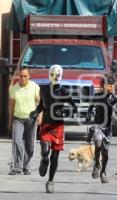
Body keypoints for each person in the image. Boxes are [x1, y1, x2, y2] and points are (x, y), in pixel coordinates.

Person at [30, 64, 77, 193]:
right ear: (49, 74)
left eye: (57, 75)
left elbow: (74, 108)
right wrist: (35, 112)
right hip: (46, 125)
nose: (55, 77)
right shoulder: (43, 89)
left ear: (61, 75)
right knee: (45, 152)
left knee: (55, 158)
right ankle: (43, 160)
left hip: (58, 127)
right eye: (52, 74)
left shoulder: (64, 92)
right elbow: (41, 106)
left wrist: (64, 113)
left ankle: (50, 181)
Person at [86, 76, 117, 183]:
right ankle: (97, 163)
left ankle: (103, 172)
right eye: (107, 85)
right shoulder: (97, 96)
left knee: (105, 152)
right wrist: (88, 116)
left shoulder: (114, 98)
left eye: (111, 86)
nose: (109, 88)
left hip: (108, 128)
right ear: (102, 86)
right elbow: (90, 109)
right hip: (97, 126)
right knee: (97, 144)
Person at [8, 68, 40, 175]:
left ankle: (26, 166)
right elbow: (11, 106)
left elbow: (40, 103)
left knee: (30, 145)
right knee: (17, 141)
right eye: (21, 76)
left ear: (29, 77)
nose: (23, 78)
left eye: (25, 76)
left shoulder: (35, 87)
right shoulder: (14, 88)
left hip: (31, 119)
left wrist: (40, 116)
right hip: (18, 119)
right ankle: (17, 167)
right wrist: (10, 120)